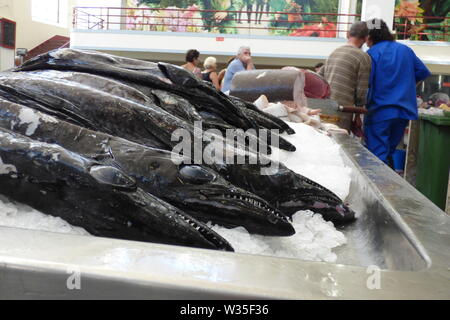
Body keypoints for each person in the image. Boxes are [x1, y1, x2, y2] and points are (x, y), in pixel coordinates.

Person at [364, 19, 431, 166]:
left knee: (377, 156)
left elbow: (366, 83)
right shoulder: (404, 50)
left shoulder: (372, 54)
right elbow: (422, 72)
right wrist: (406, 86)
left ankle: (380, 186)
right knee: (389, 151)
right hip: (403, 111)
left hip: (380, 110)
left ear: (369, 36)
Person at [318, 21, 372, 131]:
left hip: (324, 107)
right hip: (342, 110)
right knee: (339, 143)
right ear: (366, 38)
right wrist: (358, 115)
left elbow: (319, 77)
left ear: (348, 34)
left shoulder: (334, 52)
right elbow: (361, 91)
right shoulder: (363, 57)